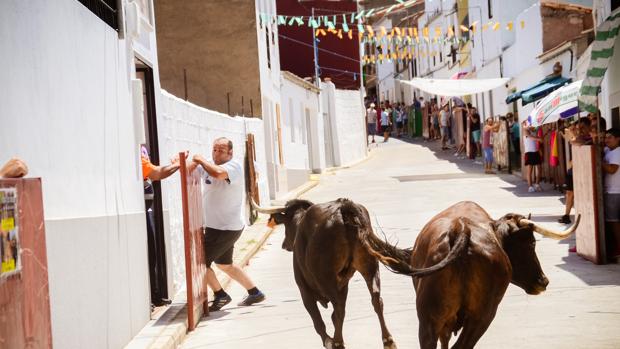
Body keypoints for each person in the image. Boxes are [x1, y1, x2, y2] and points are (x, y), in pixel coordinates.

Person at [191, 137, 265, 311]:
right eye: (214, 149)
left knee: (201, 263)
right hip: (217, 227)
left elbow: (218, 173)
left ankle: (220, 295)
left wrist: (200, 160)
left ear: (230, 152)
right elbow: (194, 170)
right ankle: (255, 293)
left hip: (225, 228)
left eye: (221, 150)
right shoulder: (209, 165)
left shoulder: (234, 167)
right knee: (225, 264)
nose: (216, 153)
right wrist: (182, 163)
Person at [141, 145, 185, 307]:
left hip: (148, 211)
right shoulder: (134, 150)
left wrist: (174, 165)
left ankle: (154, 294)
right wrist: (177, 164)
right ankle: (150, 297)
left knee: (152, 252)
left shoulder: (141, 150)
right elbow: (156, 173)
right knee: (148, 253)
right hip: (142, 212)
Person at [603, 128, 620, 258]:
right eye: (606, 137)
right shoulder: (609, 150)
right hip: (611, 190)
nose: (606, 140)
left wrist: (599, 162)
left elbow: (612, 169)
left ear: (618, 138)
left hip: (615, 191)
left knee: (614, 221)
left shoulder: (617, 153)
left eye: (610, 137)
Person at [523, 123, 543, 192]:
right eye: (528, 124)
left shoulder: (534, 130)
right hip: (529, 152)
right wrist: (538, 139)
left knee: (540, 169)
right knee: (530, 170)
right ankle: (530, 186)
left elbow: (537, 131)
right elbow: (530, 137)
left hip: (536, 151)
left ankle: (537, 184)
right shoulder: (525, 130)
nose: (530, 125)